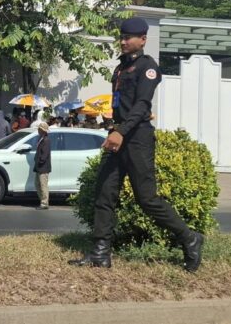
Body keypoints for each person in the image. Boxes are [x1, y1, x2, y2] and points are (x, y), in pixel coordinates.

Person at [69, 16, 204, 272]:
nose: (123, 41)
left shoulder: (148, 68)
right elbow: (122, 105)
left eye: (128, 37)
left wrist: (121, 132)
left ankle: (190, 238)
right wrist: (114, 129)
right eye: (121, 37)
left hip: (137, 138)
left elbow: (142, 105)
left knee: (147, 200)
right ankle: (100, 253)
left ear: (143, 39)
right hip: (119, 135)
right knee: (104, 194)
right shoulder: (120, 69)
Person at [34, 123, 52, 210]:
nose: (38, 130)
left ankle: (44, 203)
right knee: (37, 184)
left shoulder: (46, 140)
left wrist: (40, 161)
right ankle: (42, 200)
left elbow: (44, 155)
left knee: (43, 185)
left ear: (42, 131)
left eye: (39, 129)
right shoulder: (41, 139)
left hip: (43, 167)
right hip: (39, 166)